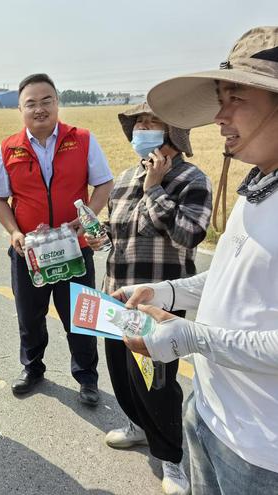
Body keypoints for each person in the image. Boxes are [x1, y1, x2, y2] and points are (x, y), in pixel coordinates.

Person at [118, 26, 278, 495]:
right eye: (219, 99)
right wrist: (165, 291)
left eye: (236, 98)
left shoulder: (198, 180)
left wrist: (191, 336)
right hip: (209, 414)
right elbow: (230, 279)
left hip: (260, 449)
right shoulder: (259, 187)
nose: (220, 117)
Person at [86, 102, 211, 495]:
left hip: (158, 304)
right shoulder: (125, 178)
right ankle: (138, 426)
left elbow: (190, 234)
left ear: (171, 134)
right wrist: (99, 236)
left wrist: (154, 189)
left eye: (150, 122)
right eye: (137, 123)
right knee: (123, 374)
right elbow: (118, 234)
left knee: (156, 383)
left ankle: (172, 460)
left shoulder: (192, 179)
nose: (141, 129)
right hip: (116, 296)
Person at [0, 73, 114, 404]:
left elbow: (103, 183)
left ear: (57, 103)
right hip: (29, 252)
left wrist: (88, 216)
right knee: (29, 315)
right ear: (20, 109)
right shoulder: (8, 148)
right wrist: (14, 232)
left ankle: (87, 378)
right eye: (31, 103)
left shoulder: (82, 139)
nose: (39, 109)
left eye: (47, 101)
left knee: (80, 316)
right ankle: (32, 368)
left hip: (74, 248)